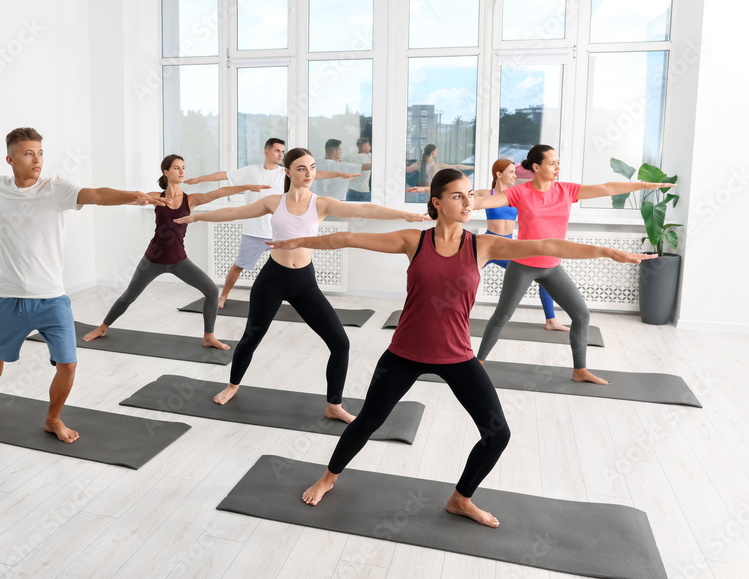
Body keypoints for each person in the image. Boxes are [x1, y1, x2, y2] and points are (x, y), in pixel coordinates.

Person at [267, 169, 654, 524]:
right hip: (404, 352)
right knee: (368, 420)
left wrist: (606, 251)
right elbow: (347, 238)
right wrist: (299, 240)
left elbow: (550, 243)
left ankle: (460, 498)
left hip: (458, 356)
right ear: (436, 202)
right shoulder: (412, 240)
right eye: (458, 196)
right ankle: (328, 478)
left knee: (497, 433)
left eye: (470, 195)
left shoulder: (483, 245)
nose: (469, 203)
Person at [0, 127, 164, 444]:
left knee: (68, 363)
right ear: (10, 159)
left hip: (52, 299)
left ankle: (53, 419)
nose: (37, 159)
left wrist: (133, 196)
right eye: (28, 153)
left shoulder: (56, 188)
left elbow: (96, 194)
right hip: (8, 297)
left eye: (40, 153)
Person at [176, 147, 429, 423]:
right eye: (301, 168)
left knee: (340, 342)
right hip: (272, 279)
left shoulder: (321, 203)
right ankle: (232, 385)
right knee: (251, 337)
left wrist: (403, 214)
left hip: (304, 283)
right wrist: (198, 216)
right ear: (288, 172)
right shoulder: (274, 201)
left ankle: (333, 405)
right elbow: (236, 212)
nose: (309, 173)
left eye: (312, 167)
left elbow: (365, 208)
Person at [472, 144, 675, 384]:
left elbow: (607, 188)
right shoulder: (520, 192)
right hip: (523, 264)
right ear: (536, 167)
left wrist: (644, 185)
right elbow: (481, 203)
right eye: (552, 163)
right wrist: (444, 207)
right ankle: (478, 364)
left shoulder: (566, 191)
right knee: (502, 316)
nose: (558, 167)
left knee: (581, 315)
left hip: (553, 266)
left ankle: (580, 370)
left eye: (558, 162)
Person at [82, 154, 270, 350]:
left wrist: (246, 187)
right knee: (128, 296)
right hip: (152, 261)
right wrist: (104, 199)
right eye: (176, 168)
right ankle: (103, 327)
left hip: (179, 261)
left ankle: (209, 337)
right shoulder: (156, 197)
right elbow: (127, 198)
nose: (182, 171)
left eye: (183, 167)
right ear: (166, 172)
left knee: (212, 291)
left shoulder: (191, 200)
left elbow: (220, 192)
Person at [185, 138, 357, 308]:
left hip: (282, 234)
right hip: (255, 231)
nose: (281, 154)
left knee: (297, 267)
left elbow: (315, 174)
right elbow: (224, 175)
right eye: (277, 151)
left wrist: (340, 174)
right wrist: (199, 180)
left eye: (283, 151)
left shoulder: (285, 172)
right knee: (238, 266)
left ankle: (300, 300)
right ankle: (223, 296)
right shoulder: (251, 171)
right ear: (266, 152)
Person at [477, 158, 569, 332]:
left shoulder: (516, 193)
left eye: (515, 172)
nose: (515, 175)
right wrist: (426, 189)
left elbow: (540, 197)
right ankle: (448, 314)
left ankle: (551, 320)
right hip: (489, 245)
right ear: (498, 174)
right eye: (511, 172)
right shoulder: (486, 193)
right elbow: (457, 195)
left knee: (543, 276)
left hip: (509, 247)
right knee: (463, 276)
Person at [344, 137, 373, 202]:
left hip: (351, 190)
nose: (370, 148)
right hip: (363, 191)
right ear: (363, 147)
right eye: (369, 145)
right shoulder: (369, 156)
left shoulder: (351, 156)